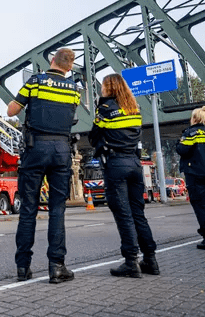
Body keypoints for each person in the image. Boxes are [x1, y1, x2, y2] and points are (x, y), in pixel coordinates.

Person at [7, 48, 80, 284]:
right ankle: (57, 267)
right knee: (57, 210)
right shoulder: (74, 90)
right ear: (70, 67)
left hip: (35, 148)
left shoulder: (35, 81)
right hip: (61, 151)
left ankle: (23, 268)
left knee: (28, 209)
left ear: (52, 60)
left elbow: (11, 110)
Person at [88, 73, 159, 277]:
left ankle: (130, 262)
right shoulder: (134, 109)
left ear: (108, 88)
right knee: (138, 214)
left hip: (116, 164)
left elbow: (93, 136)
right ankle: (151, 260)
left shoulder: (105, 109)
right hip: (135, 164)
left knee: (124, 215)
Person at [176, 105, 205, 250]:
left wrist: (179, 141)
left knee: (201, 206)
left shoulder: (191, 133)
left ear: (195, 118)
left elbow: (182, 149)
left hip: (195, 174)